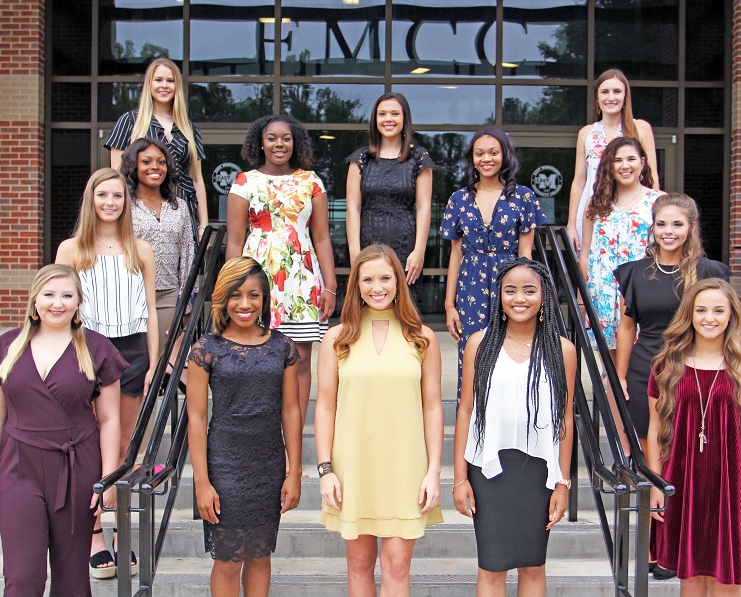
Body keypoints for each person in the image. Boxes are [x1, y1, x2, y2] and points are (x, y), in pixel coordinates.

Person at [0, 264, 126, 593]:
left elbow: (110, 419)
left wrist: (109, 478)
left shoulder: (97, 349)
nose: (57, 303)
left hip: (77, 467)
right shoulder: (7, 346)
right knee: (22, 576)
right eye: (49, 295)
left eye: (66, 295)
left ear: (78, 302)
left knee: (72, 579)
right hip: (18, 466)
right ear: (35, 299)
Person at [315, 244, 443, 596]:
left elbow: (433, 407)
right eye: (367, 279)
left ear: (399, 282)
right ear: (356, 285)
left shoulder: (423, 339)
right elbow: (325, 407)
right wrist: (325, 470)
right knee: (358, 568)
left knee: (397, 568)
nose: (377, 287)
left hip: (406, 468)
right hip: (353, 468)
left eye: (386, 278)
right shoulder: (336, 339)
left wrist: (433, 471)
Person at [56, 168, 158, 575]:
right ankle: (94, 534)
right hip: (86, 349)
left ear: (125, 202)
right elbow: (59, 307)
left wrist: (153, 362)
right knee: (91, 447)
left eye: (117, 195)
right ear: (91, 200)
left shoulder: (141, 250)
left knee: (124, 449)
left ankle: (123, 534)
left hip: (132, 350)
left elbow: (151, 311)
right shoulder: (71, 250)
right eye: (102, 195)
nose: (110, 202)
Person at [453, 258, 576, 595]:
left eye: (529, 290)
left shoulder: (562, 350)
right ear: (500, 298)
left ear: (544, 296)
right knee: (492, 566)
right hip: (489, 471)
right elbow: (465, 411)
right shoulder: (481, 343)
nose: (519, 298)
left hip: (539, 472)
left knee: (534, 565)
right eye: (511, 290)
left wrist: (563, 481)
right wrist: (460, 477)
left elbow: (566, 418)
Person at [647, 278, 741, 593]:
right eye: (701, 309)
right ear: (689, 314)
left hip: (735, 483)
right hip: (683, 481)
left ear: (731, 315)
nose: (709, 318)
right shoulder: (667, 366)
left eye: (719, 310)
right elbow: (654, 430)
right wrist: (655, 484)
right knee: (690, 579)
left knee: (727, 580)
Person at [187, 256, 302, 597]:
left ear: (265, 299)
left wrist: (294, 471)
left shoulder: (282, 347)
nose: (245, 304)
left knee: (261, 554)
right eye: (236, 295)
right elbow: (196, 417)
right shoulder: (206, 350)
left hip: (268, 465)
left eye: (254, 295)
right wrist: (202, 482)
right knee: (228, 560)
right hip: (225, 466)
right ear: (222, 298)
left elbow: (292, 410)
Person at [226, 114, 337, 427]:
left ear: (295, 142)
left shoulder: (312, 181)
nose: (279, 144)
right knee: (257, 358)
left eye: (286, 138)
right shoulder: (244, 181)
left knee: (300, 360)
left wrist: (330, 286)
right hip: (255, 278)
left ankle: (294, 435)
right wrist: (231, 287)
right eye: (272, 137)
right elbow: (234, 242)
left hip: (301, 281)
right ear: (260, 143)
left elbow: (323, 237)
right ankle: (260, 429)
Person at [440, 126, 548, 399]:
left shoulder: (523, 196)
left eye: (493, 152)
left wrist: (528, 295)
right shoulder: (458, 199)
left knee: (512, 352)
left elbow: (526, 254)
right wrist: (449, 304)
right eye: (479, 153)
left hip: (510, 284)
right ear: (472, 158)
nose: (486, 159)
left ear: (505, 156)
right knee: (473, 355)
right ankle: (474, 428)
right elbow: (456, 253)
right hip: (470, 287)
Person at [615, 193, 730, 443]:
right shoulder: (634, 273)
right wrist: (620, 376)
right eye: (661, 224)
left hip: (696, 367)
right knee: (648, 443)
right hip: (645, 368)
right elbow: (626, 328)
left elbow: (726, 325)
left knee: (690, 444)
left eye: (677, 224)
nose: (668, 232)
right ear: (653, 226)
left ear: (692, 227)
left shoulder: (709, 272)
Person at [105, 57, 208, 242]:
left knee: (186, 268)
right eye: (158, 80)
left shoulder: (189, 128)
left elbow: (197, 179)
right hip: (140, 214)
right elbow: (117, 176)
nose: (164, 86)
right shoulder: (130, 121)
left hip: (183, 214)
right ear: (149, 84)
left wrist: (203, 225)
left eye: (170, 81)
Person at [345, 92, 434, 306]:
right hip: (367, 244)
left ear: (405, 119)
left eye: (395, 113)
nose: (388, 119)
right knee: (367, 306)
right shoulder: (361, 158)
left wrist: (419, 250)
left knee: (404, 309)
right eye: (382, 114)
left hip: (405, 247)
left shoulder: (419, 158)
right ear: (375, 120)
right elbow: (352, 208)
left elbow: (424, 207)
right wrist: (355, 252)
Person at [579, 136, 664, 354]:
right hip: (605, 289)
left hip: (644, 287)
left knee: (644, 357)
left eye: (631, 159)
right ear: (609, 165)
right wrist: (582, 296)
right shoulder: (596, 203)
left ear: (642, 163)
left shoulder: (659, 201)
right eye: (617, 160)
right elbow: (587, 252)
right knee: (610, 364)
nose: (625, 166)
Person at [567, 69, 659, 252]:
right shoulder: (586, 133)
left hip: (632, 212)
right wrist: (571, 224)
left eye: (617, 91)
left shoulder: (640, 128)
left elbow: (652, 176)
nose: (611, 97)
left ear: (626, 96)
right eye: (605, 91)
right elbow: (579, 181)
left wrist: (656, 216)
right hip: (593, 212)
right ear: (597, 97)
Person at [120, 138, 194, 358]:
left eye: (161, 162)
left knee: (169, 363)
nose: (155, 167)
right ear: (134, 166)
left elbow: (189, 254)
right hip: (132, 297)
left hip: (170, 297)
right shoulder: (124, 205)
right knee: (137, 364)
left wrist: (186, 303)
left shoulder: (179, 207)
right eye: (146, 161)